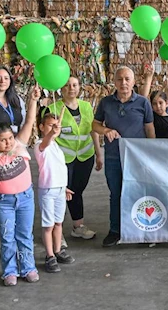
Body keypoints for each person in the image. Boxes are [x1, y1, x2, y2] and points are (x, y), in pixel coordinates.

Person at [0, 86, 41, 286]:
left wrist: (33, 100)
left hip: (25, 198)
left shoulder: (20, 145)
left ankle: (28, 267)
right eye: (2, 140)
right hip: (3, 202)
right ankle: (9, 271)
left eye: (10, 138)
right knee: (7, 237)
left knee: (25, 235)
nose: (8, 143)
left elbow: (29, 121)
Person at [92, 66, 155, 247]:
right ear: (114, 82)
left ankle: (141, 229)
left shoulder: (143, 103)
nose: (124, 83)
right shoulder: (105, 103)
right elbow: (95, 125)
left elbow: (149, 128)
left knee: (139, 192)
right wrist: (106, 130)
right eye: (119, 79)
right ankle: (115, 230)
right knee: (116, 193)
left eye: (127, 79)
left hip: (137, 158)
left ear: (134, 82)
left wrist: (152, 152)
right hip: (113, 156)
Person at [47, 76, 103, 243]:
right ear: (61, 88)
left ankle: (78, 227)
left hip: (85, 157)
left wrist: (98, 153)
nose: (71, 88)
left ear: (79, 87)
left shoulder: (86, 106)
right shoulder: (53, 108)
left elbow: (93, 130)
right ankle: (55, 232)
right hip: (63, 159)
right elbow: (48, 136)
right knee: (61, 193)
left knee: (76, 191)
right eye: (67, 85)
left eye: (74, 85)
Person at [34, 111, 76, 273]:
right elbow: (45, 142)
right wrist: (52, 133)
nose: (54, 128)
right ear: (41, 127)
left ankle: (58, 251)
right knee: (48, 225)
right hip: (47, 190)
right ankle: (49, 255)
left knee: (59, 222)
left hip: (59, 189)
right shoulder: (40, 145)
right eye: (50, 125)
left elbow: (58, 169)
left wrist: (63, 187)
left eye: (56, 126)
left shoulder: (56, 146)